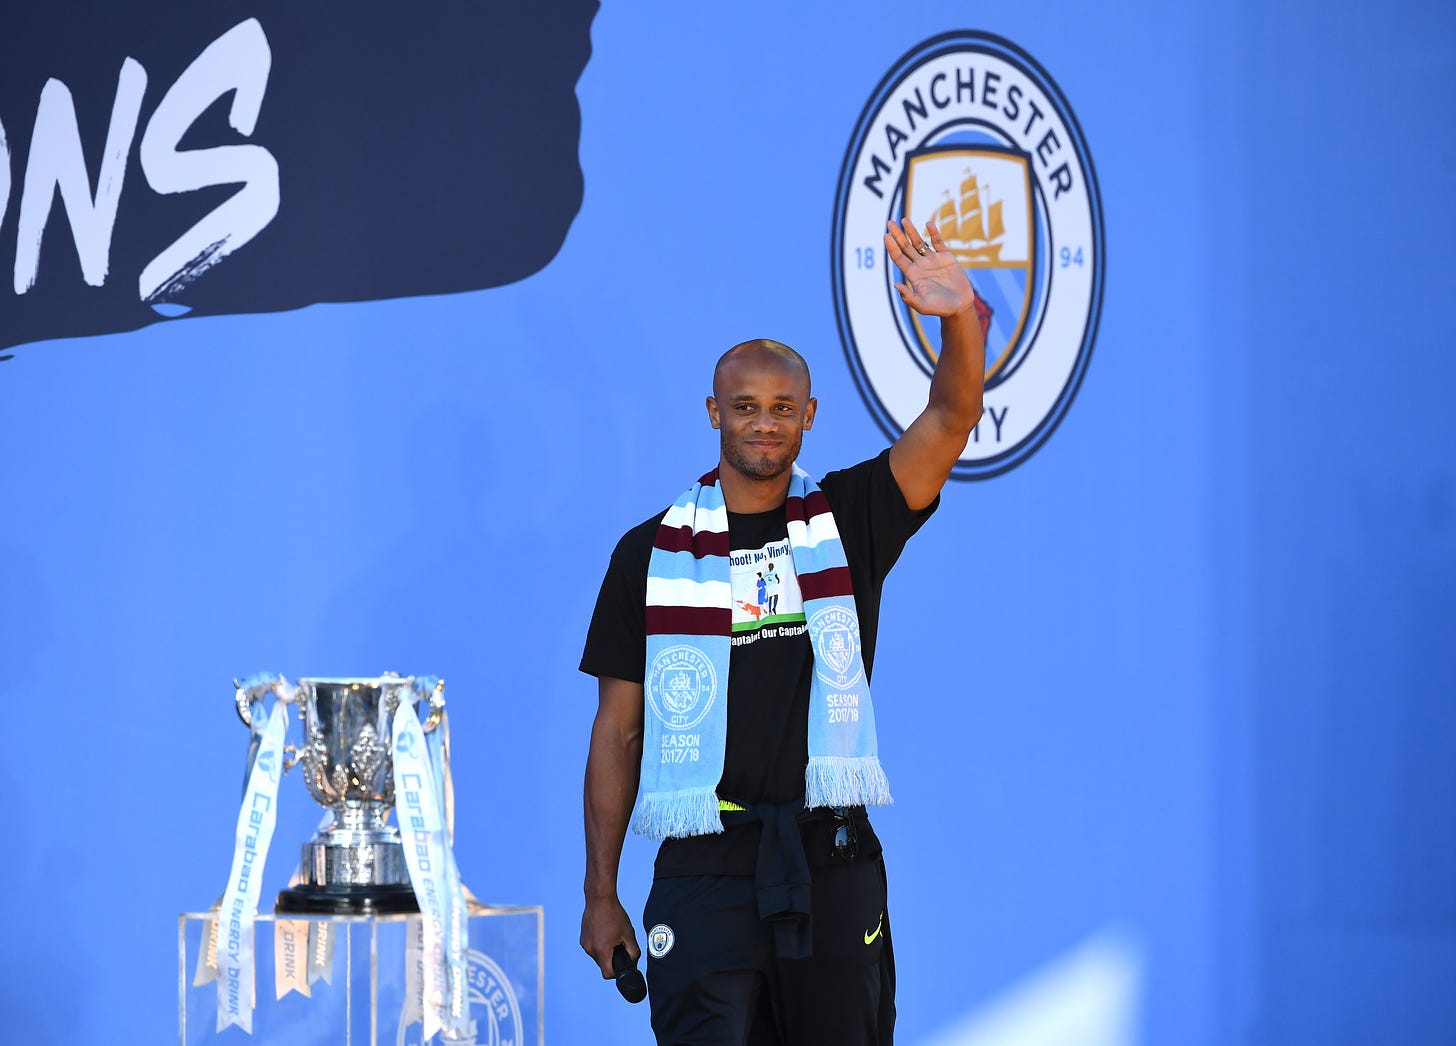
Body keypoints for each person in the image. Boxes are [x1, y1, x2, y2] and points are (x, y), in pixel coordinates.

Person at [579, 218, 990, 1045]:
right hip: (704, 863)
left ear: (809, 415)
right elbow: (618, 732)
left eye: (780, 409)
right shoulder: (650, 552)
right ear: (713, 414)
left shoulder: (850, 517)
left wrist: (960, 318)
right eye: (743, 407)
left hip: (829, 859)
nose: (763, 424)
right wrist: (600, 891)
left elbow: (951, 419)